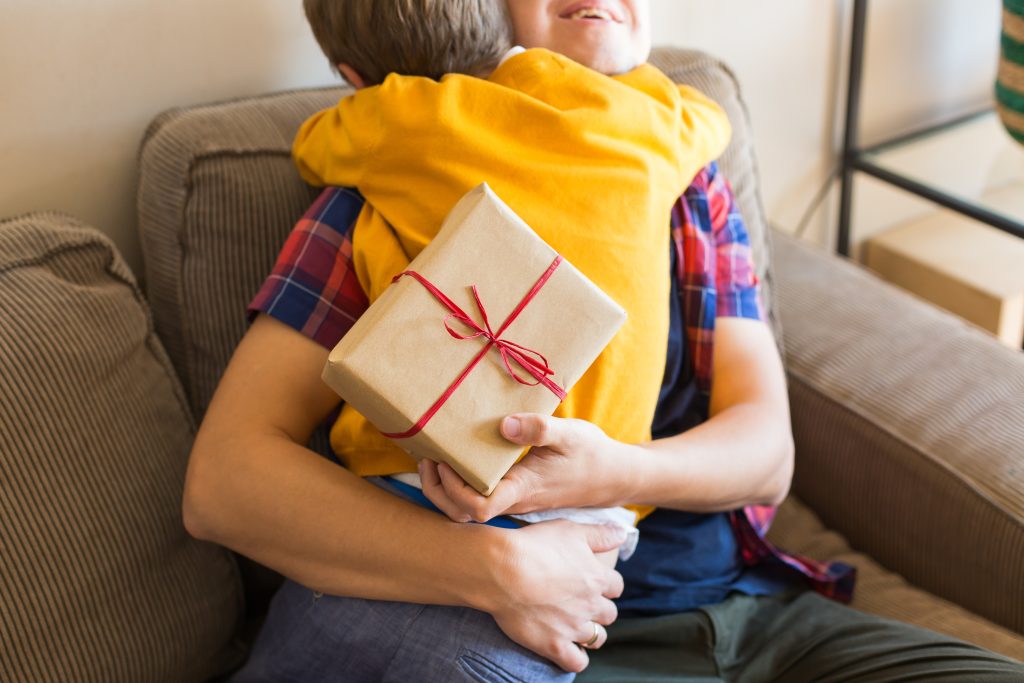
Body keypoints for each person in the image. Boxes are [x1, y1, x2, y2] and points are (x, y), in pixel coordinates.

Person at [182, 1, 1024, 680]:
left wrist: (608, 469)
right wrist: (496, 571)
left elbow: (766, 453)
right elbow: (228, 478)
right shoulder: (391, 193)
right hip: (565, 639)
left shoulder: (691, 184)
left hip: (762, 612)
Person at [290, 0, 733, 565]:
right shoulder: (656, 121)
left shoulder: (392, 116)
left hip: (410, 468)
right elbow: (711, 121)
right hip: (600, 516)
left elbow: (309, 145)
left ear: (355, 79)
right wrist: (650, 91)